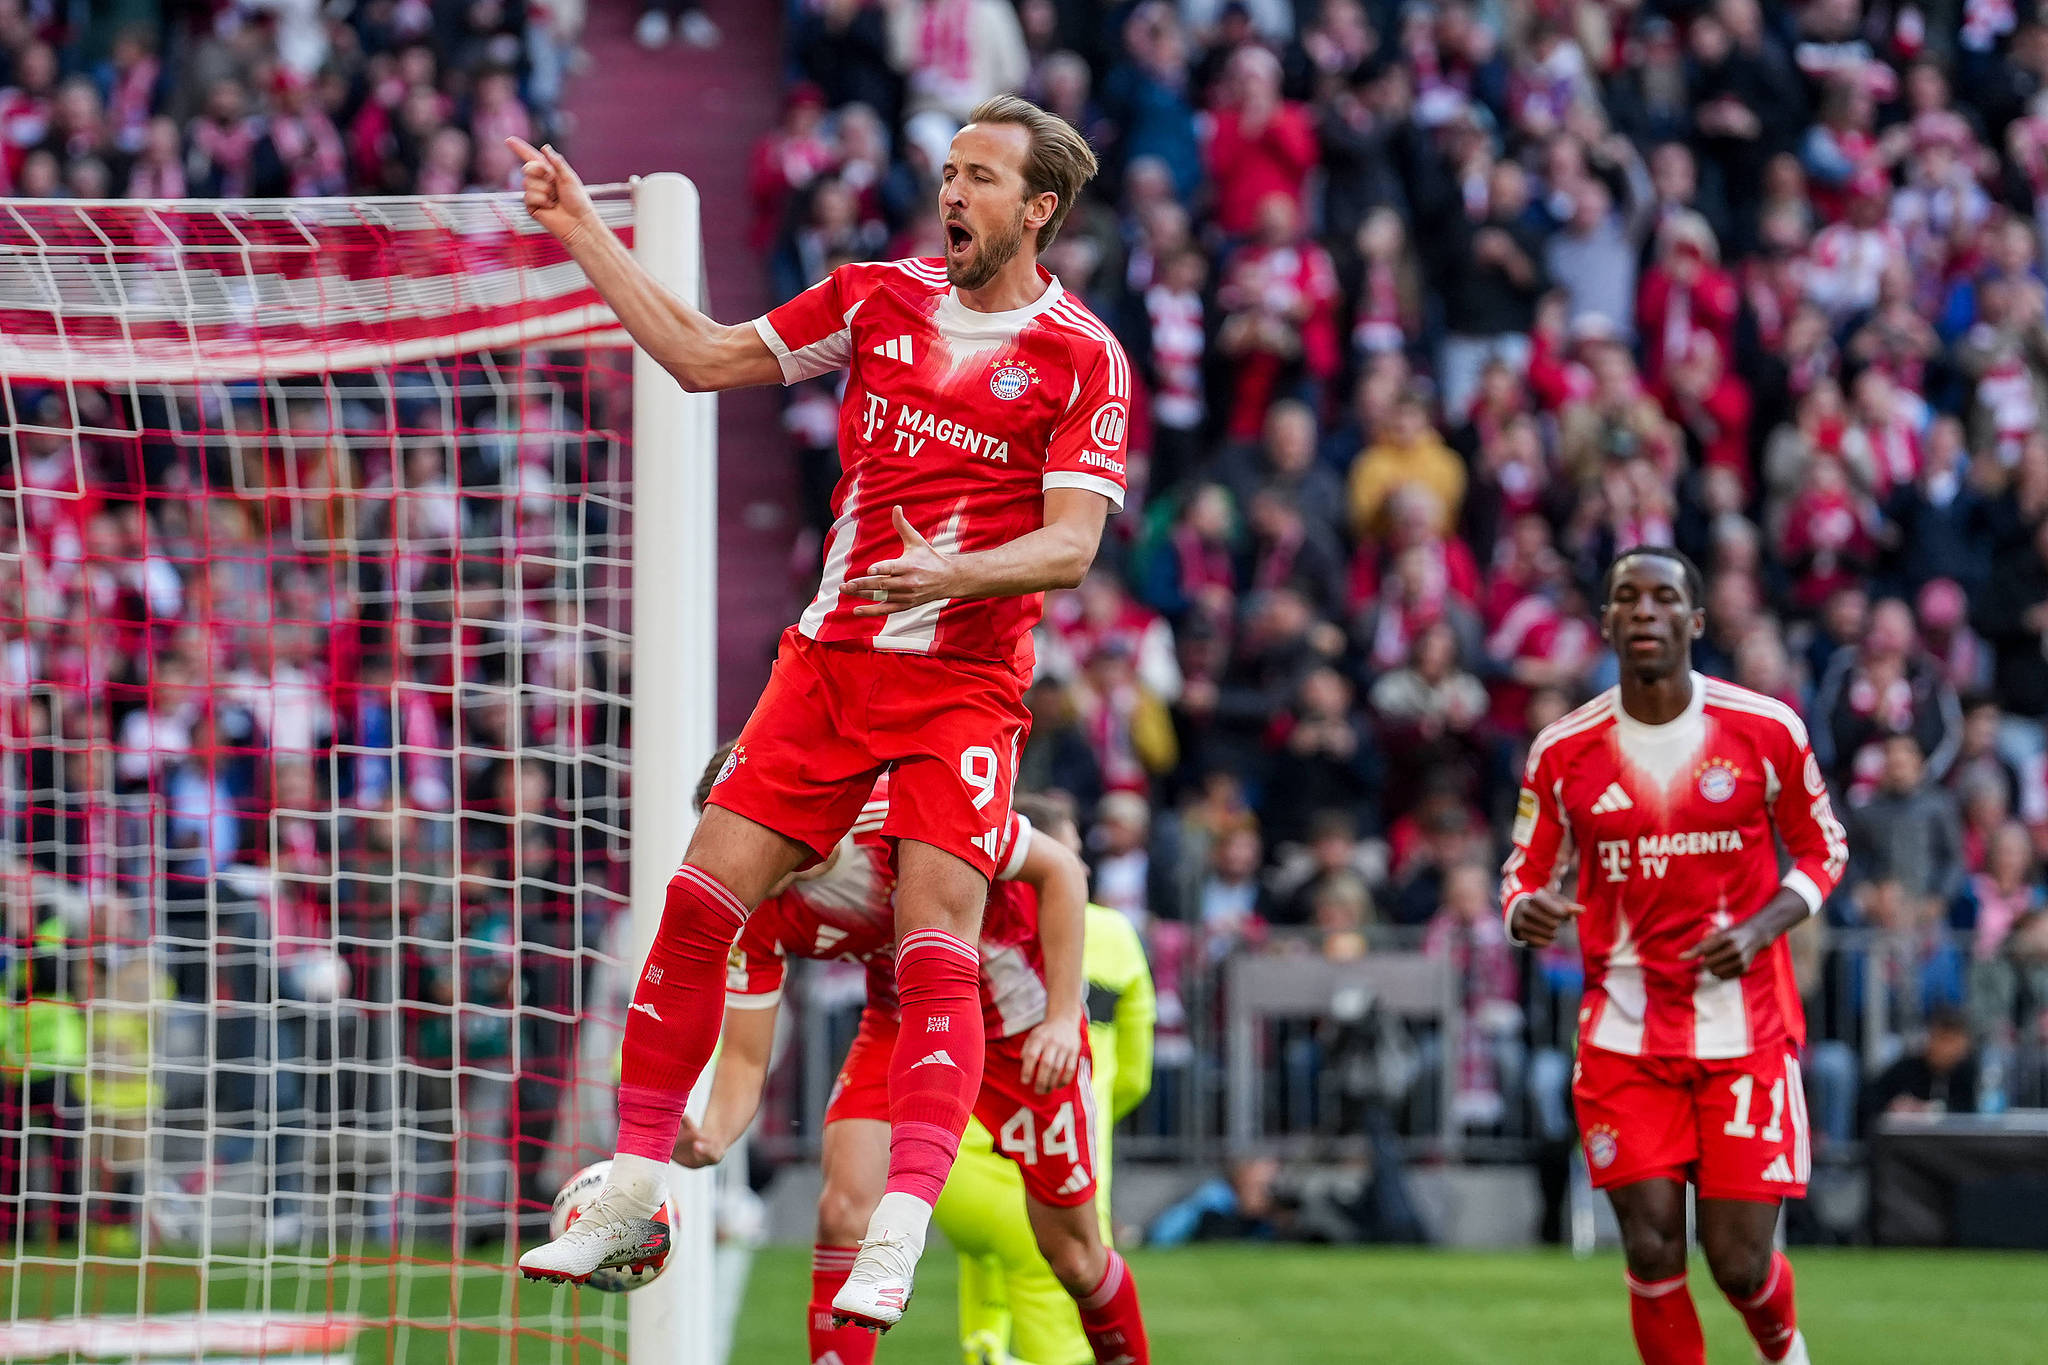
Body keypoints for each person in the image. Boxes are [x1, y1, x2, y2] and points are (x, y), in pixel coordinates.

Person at [508, 94, 1134, 1333]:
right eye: (948, 171)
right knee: (699, 900)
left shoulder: (1081, 355)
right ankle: (627, 1191)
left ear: (1038, 208)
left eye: (981, 177)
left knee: (934, 942)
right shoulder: (872, 298)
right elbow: (701, 358)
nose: (951, 193)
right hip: (831, 664)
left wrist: (952, 574)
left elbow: (1071, 546)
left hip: (961, 684)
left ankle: (897, 1230)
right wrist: (582, 232)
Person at [665, 761, 1146, 1365]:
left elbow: (1063, 871)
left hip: (1019, 1025)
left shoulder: (898, 806)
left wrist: (1060, 1016)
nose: (733, 856)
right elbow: (742, 1055)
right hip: (906, 1018)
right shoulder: (754, 910)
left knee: (1073, 1257)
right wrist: (713, 1135)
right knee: (843, 1213)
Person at [1500, 546, 1849, 1365]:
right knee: (1653, 1247)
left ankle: (1783, 1349)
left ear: (1694, 620)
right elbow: (1522, 870)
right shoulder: (1563, 749)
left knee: (1738, 1261)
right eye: (1628, 597)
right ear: (1606, 622)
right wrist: (1524, 908)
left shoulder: (1765, 728)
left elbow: (1824, 846)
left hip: (1745, 1027)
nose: (1645, 610)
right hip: (1623, 1033)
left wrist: (1762, 927)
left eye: (1662, 597)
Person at [936, 796, 1157, 1365]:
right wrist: (1101, 1112)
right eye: (1071, 853)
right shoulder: (1109, 930)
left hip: (955, 1161)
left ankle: (984, 1346)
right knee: (1062, 1290)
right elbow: (1135, 1071)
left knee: (982, 1265)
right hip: (1051, 1140)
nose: (1080, 868)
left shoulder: (958, 910)